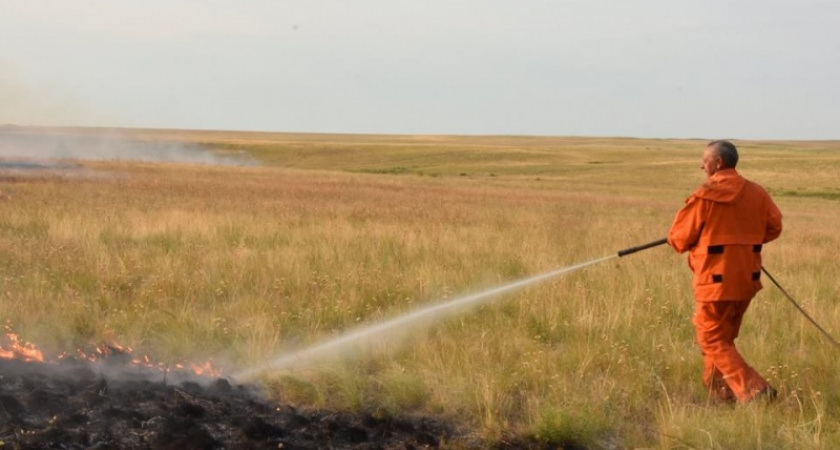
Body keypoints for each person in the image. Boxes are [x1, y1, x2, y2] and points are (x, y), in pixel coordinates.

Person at [668, 140, 783, 403]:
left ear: (718, 163)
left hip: (714, 282)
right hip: (747, 280)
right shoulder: (757, 193)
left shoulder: (705, 196)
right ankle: (719, 394)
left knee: (711, 339)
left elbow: (679, 239)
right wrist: (743, 244)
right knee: (723, 339)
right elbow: (774, 227)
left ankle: (756, 391)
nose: (701, 165)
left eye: (704, 160)